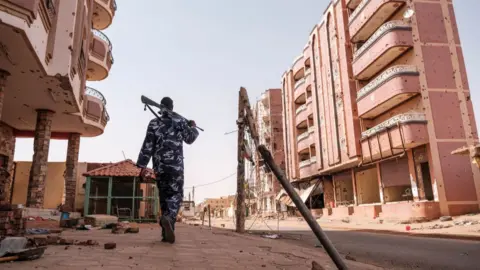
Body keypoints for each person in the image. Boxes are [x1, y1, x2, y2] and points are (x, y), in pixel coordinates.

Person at [136, 97, 199, 243]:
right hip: (175, 167)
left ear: (161, 108)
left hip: (159, 167)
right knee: (176, 195)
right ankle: (169, 218)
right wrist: (193, 126)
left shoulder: (153, 123)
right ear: (172, 107)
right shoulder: (179, 121)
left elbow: (147, 146)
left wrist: (142, 166)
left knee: (164, 198)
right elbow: (190, 138)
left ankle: (166, 234)